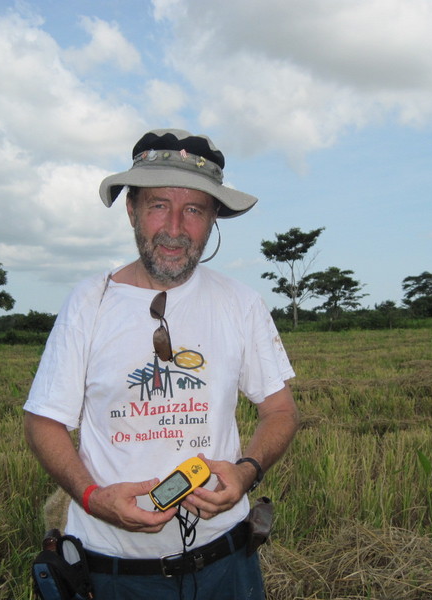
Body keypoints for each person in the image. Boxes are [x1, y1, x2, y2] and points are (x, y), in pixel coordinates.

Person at [23, 128, 299, 599]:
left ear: (213, 218)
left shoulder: (240, 303)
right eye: (158, 205)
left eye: (193, 209)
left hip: (227, 564)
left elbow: (281, 410)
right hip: (116, 572)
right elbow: (43, 422)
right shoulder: (89, 302)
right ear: (131, 208)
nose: (174, 227)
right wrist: (93, 500)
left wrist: (246, 471)